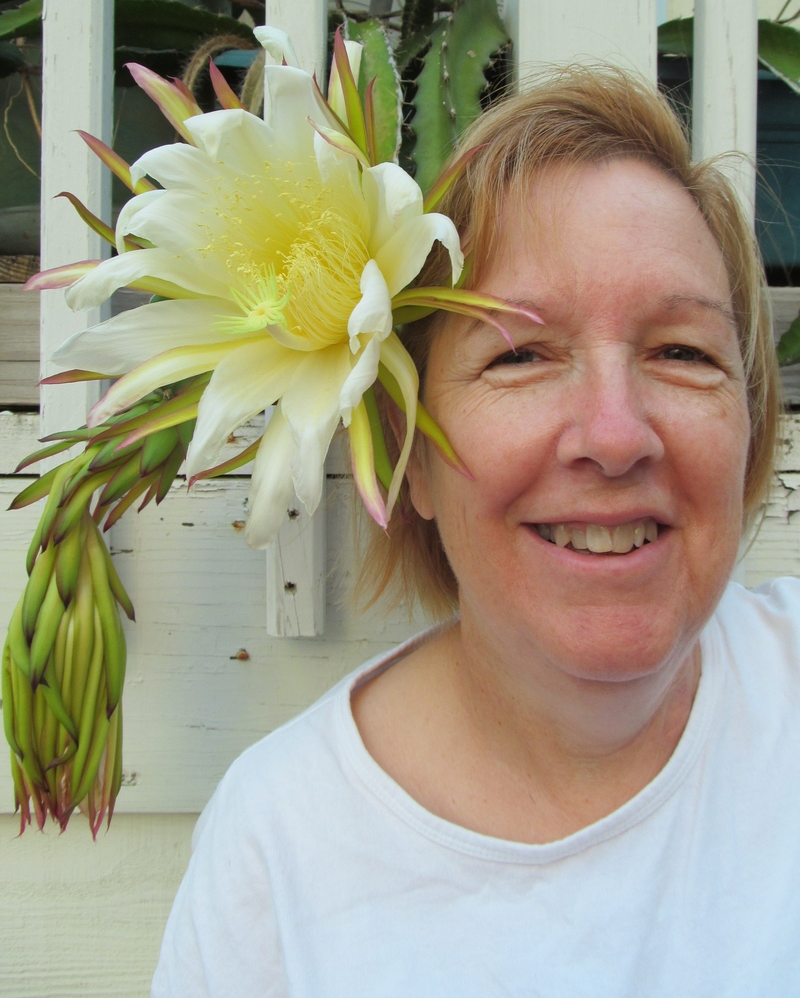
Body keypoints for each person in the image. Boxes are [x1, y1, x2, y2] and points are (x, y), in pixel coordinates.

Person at [152, 67, 800, 997]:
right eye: (521, 354)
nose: (616, 434)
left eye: (681, 352)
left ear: (748, 427)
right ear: (407, 456)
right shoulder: (278, 852)